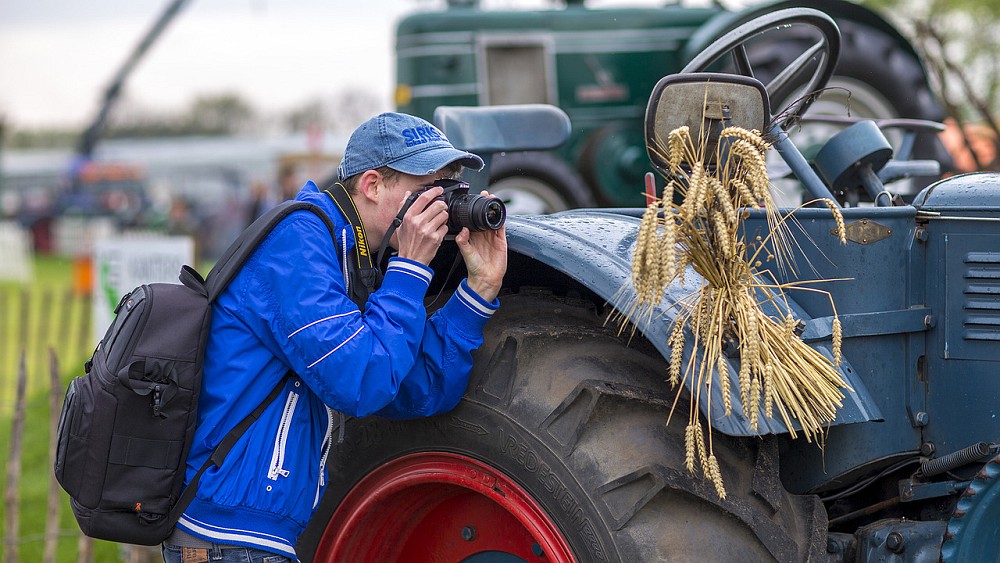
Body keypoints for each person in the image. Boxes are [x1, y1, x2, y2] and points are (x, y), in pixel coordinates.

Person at [162, 112, 508, 562]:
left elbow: (417, 390)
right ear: (372, 185)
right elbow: (361, 383)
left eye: (453, 187)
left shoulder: (354, 257)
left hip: (255, 536)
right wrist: (409, 269)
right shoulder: (297, 244)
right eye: (431, 188)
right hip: (225, 536)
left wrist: (478, 290)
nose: (444, 204)